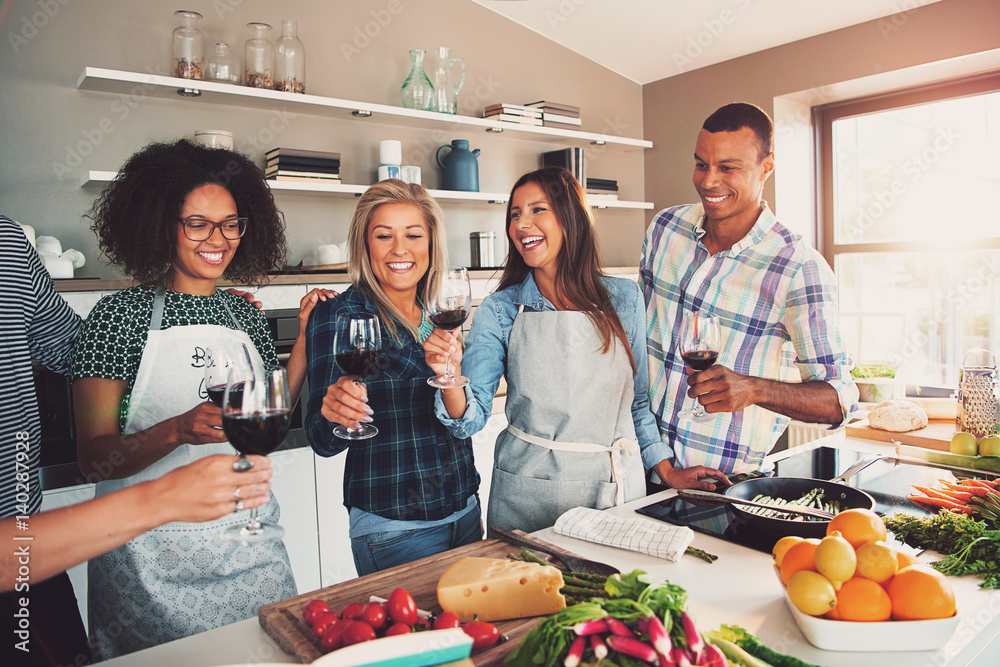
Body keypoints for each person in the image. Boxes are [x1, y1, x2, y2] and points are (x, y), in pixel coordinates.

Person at [70, 139, 331, 659]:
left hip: (250, 552)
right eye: (198, 224)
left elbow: (269, 421)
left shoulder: (246, 318)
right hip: (149, 563)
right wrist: (177, 429)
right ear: (163, 225)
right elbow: (93, 461)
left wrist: (304, 340)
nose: (219, 239)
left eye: (231, 223)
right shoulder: (116, 320)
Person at [426, 166, 673, 533]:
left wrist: (667, 469)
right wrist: (447, 375)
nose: (521, 224)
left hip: (613, 492)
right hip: (527, 496)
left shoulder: (624, 298)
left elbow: (636, 404)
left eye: (537, 210)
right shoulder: (499, 309)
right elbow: (469, 419)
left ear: (571, 217)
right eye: (514, 214)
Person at [640, 102, 858, 489]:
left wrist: (754, 389)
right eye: (701, 164)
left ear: (766, 167)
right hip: (638, 470)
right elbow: (634, 346)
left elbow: (838, 399)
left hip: (723, 489)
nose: (708, 181)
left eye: (728, 167)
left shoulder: (798, 267)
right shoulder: (664, 229)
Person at [305, 179, 481, 576]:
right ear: (365, 245)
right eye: (384, 235)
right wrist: (334, 414)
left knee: (477, 635)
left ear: (431, 243)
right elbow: (320, 437)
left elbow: (460, 419)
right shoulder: (338, 315)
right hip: (395, 528)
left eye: (413, 235)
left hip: (465, 509)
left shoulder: (440, 310)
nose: (400, 249)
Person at [0, 215, 89, 666]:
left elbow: (73, 347)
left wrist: (190, 315)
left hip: (27, 545)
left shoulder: (7, 240)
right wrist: (160, 500)